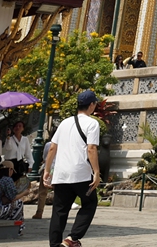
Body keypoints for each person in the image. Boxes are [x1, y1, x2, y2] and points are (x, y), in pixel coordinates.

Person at [43, 91, 101, 247]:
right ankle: (72, 237)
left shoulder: (64, 123)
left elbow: (52, 148)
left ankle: (55, 245)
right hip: (81, 174)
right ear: (91, 105)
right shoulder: (92, 123)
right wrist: (96, 172)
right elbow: (91, 149)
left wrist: (47, 170)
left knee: (59, 211)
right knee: (89, 203)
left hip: (61, 174)